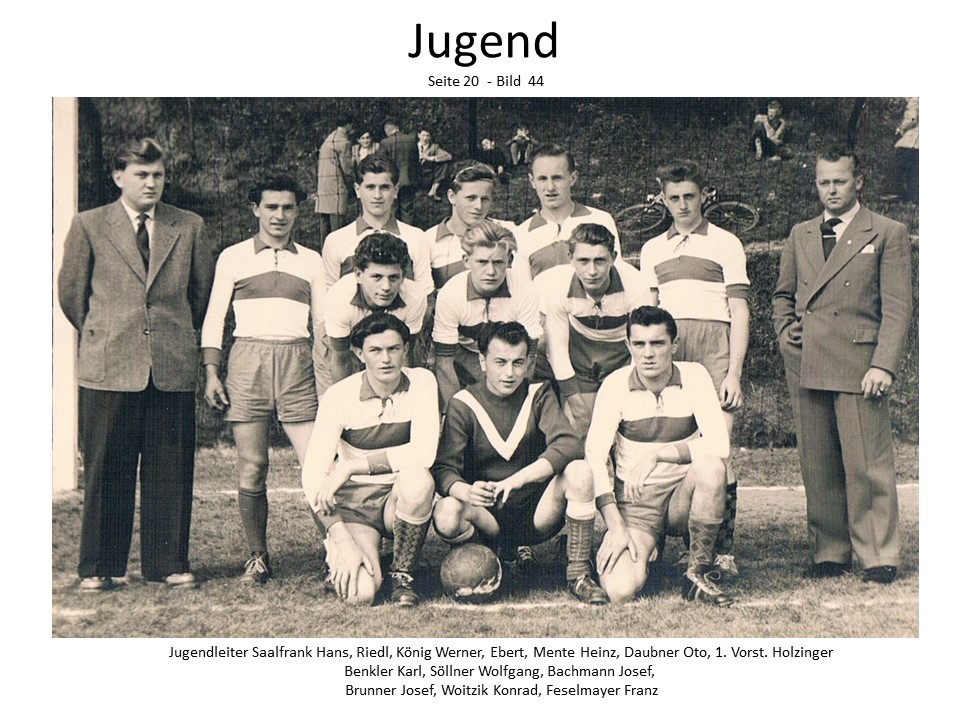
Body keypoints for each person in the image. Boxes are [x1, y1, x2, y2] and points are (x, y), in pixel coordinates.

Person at [58, 137, 213, 591]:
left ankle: (168, 563)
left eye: (158, 175)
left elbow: (199, 295)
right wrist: (108, 333)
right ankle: (100, 566)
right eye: (141, 175)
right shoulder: (89, 225)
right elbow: (72, 295)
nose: (151, 183)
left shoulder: (189, 226)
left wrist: (171, 335)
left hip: (170, 365)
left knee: (171, 469)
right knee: (107, 469)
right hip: (109, 366)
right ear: (118, 177)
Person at [772, 146, 913, 584]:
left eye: (840, 181)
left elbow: (898, 308)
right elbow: (782, 295)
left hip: (859, 363)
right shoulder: (800, 234)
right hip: (807, 362)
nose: (831, 190)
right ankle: (829, 551)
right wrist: (785, 332)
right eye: (824, 182)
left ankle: (877, 554)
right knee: (818, 462)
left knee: (866, 463)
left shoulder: (886, 232)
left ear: (858, 182)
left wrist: (883, 365)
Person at [200, 175, 324, 584]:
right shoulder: (233, 257)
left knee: (316, 465)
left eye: (288, 207)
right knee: (253, 465)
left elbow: (323, 326)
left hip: (297, 361)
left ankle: (335, 551)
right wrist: (212, 371)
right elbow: (215, 318)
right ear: (256, 209)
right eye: (271, 207)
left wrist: (328, 377)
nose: (279, 215)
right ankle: (257, 556)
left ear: (297, 211)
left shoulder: (311, 260)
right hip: (248, 362)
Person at [432, 322, 609, 604]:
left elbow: (568, 444)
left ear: (528, 362)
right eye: (500, 362)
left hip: (536, 514)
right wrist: (467, 491)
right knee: (446, 511)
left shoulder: (538, 393)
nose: (509, 373)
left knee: (580, 471)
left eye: (518, 362)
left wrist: (517, 480)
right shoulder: (463, 403)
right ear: (482, 361)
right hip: (487, 517)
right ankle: (487, 562)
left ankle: (579, 574)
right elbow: (443, 469)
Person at [638, 159, 749, 578]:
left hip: (714, 346)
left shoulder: (726, 243)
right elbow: (647, 315)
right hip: (672, 349)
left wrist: (734, 372)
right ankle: (667, 539)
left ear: (704, 196)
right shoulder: (652, 249)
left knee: (717, 448)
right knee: (672, 441)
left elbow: (739, 311)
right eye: (674, 198)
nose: (682, 205)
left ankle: (722, 551)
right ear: (663, 199)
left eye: (689, 196)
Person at [586, 306, 732, 606]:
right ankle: (647, 553)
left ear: (674, 345)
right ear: (628, 345)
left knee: (712, 467)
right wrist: (615, 526)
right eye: (639, 344)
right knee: (620, 590)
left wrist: (659, 455)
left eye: (657, 343)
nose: (648, 354)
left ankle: (697, 573)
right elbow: (594, 457)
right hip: (638, 502)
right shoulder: (615, 384)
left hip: (683, 495)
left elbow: (720, 443)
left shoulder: (695, 375)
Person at [301, 313, 440, 606]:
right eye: (375, 350)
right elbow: (313, 475)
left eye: (393, 349)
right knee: (360, 594)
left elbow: (424, 452)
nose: (385, 359)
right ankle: (351, 556)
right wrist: (343, 542)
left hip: (397, 499)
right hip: (355, 506)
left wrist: (352, 466)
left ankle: (402, 573)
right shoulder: (339, 396)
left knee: (418, 479)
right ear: (358, 353)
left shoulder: (423, 381)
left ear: (406, 349)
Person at [534, 223, 649, 435]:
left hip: (622, 352)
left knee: (627, 421)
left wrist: (634, 391)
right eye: (583, 261)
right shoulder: (557, 285)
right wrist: (579, 410)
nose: (592, 271)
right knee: (577, 425)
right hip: (580, 353)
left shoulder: (635, 283)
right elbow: (557, 352)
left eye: (600, 261)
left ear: (613, 258)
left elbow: (643, 344)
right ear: (570, 258)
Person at [433, 219, 542, 408]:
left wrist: (513, 405)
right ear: (466, 261)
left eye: (498, 262)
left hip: (509, 356)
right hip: (464, 357)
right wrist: (458, 412)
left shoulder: (525, 289)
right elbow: (444, 364)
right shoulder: (450, 294)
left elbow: (529, 356)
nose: (491, 271)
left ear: (509, 261)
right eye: (482, 262)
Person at [320, 232, 427, 393]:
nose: (386, 287)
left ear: (403, 276)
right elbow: (341, 360)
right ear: (358, 275)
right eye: (377, 277)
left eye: (393, 278)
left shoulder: (415, 298)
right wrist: (344, 401)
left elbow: (405, 356)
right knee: (336, 398)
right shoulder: (338, 298)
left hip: (386, 345)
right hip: (344, 346)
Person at [321, 154, 432, 298]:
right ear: (357, 190)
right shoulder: (336, 240)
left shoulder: (416, 237)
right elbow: (329, 298)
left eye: (384, 187)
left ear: (396, 190)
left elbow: (425, 295)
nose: (377, 195)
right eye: (370, 187)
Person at [513, 143, 622, 280]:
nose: (550, 187)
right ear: (532, 181)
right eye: (542, 179)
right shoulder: (521, 234)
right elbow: (523, 289)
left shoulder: (601, 220)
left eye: (557, 178)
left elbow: (617, 277)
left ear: (573, 178)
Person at [424, 162, 525, 292]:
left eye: (485, 199)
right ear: (452, 197)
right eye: (471, 198)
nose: (478, 206)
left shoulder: (509, 231)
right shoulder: (427, 241)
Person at [316, 117, 354, 247]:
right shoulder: (343, 142)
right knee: (337, 225)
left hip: (323, 186)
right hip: (336, 186)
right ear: (348, 125)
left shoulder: (329, 139)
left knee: (324, 224)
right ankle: (337, 251)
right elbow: (347, 169)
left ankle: (324, 251)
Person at [378, 117, 420, 224]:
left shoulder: (385, 143)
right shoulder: (411, 140)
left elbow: (381, 163)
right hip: (409, 179)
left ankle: (393, 230)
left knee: (392, 207)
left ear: (387, 129)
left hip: (392, 180)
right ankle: (408, 231)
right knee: (407, 208)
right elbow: (416, 161)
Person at [882, 97, 919, 204]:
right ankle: (915, 196)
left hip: (911, 139)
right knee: (914, 168)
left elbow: (911, 119)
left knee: (896, 164)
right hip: (917, 142)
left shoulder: (914, 100)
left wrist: (900, 131)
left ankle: (893, 191)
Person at [418, 128, 453, 201]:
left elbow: (449, 156)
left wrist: (430, 158)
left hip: (428, 174)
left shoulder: (434, 147)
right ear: (419, 135)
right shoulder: (413, 146)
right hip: (414, 173)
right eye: (423, 135)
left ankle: (433, 191)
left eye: (427, 136)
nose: (425, 138)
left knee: (444, 163)